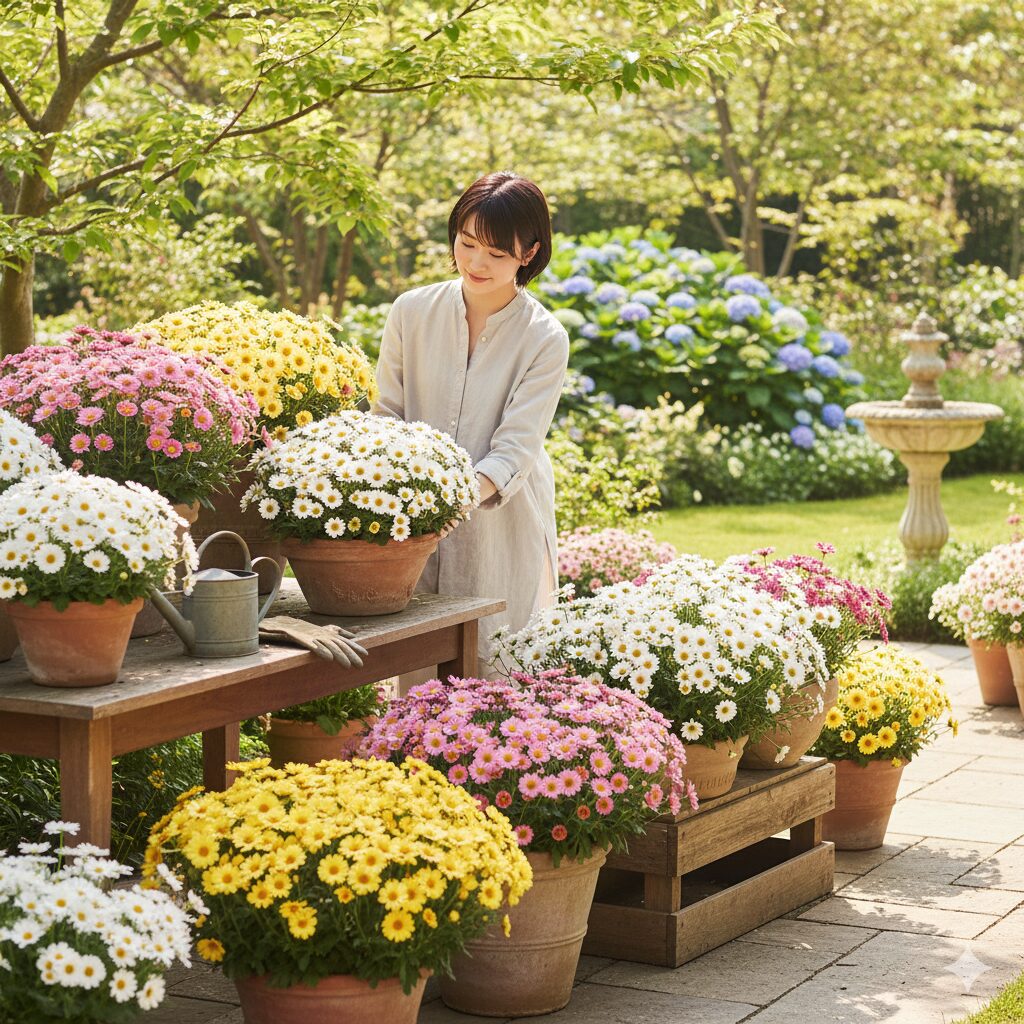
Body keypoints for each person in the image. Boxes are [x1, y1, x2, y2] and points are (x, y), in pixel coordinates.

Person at [373, 171, 569, 680]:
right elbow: (386, 417)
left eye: (498, 254)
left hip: (501, 521)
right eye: (467, 243)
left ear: (529, 253)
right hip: (409, 519)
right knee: (414, 667)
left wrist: (444, 503)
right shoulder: (410, 312)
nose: (477, 263)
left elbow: (514, 450)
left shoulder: (545, 338)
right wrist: (403, 502)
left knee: (498, 663)